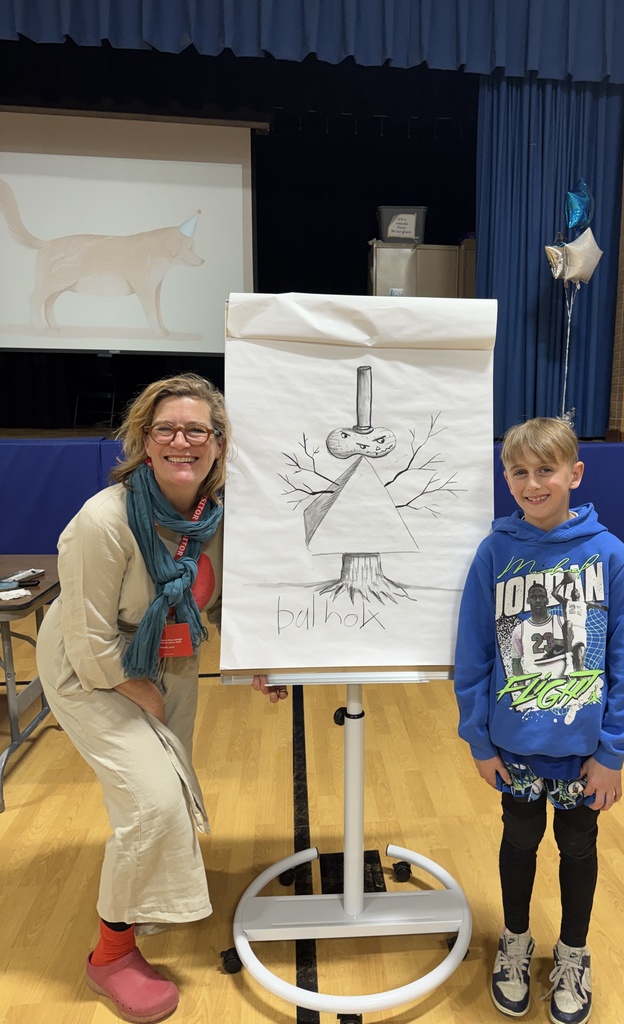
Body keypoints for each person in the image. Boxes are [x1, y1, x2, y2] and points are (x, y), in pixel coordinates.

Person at [37, 374, 287, 1024]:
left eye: (196, 429)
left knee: (170, 790)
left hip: (172, 655)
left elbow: (228, 597)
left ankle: (144, 901)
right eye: (166, 429)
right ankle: (109, 957)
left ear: (218, 442)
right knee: (153, 801)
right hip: (92, 664)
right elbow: (87, 635)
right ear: (144, 443)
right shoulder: (104, 520)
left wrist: (257, 659)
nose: (182, 440)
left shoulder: (217, 516)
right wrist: (136, 685)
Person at [453, 417, 624, 1024]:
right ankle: (515, 941)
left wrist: (614, 751)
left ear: (574, 473)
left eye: (546, 470)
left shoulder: (611, 557)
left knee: (577, 846)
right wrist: (479, 739)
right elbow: (474, 653)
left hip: (582, 749)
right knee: (518, 840)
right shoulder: (494, 553)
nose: (533, 483)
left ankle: (573, 952)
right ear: (505, 476)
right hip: (513, 747)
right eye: (520, 471)